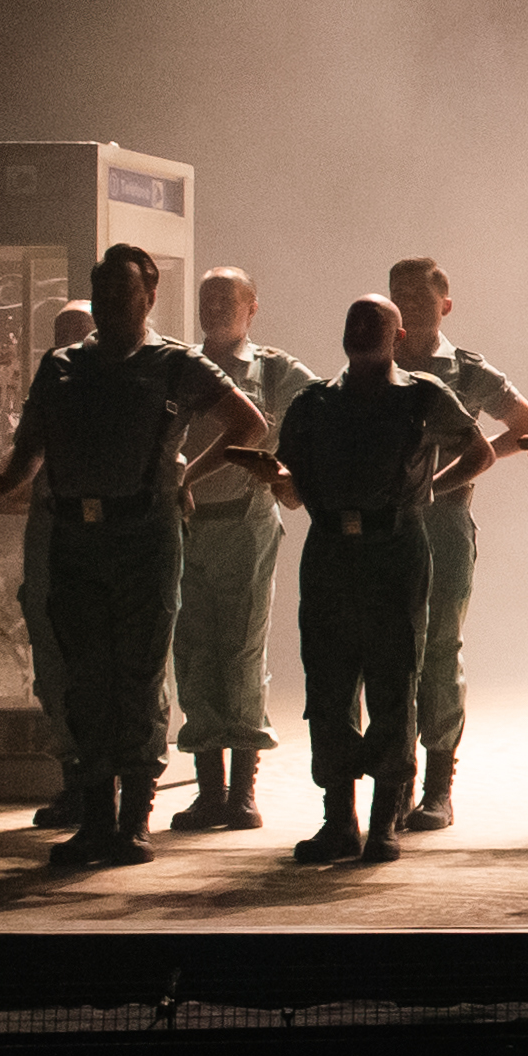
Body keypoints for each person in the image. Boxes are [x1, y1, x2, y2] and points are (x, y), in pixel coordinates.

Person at [0, 246, 270, 869]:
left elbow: (247, 422)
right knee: (84, 679)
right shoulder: (62, 365)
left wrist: (186, 478)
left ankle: (132, 821)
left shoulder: (175, 363)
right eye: (105, 290)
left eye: (128, 291)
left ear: (150, 296)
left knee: (140, 677)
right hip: (75, 537)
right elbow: (24, 462)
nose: (116, 302)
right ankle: (95, 817)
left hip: (143, 538)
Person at [270, 290, 493, 864]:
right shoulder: (315, 402)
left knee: (395, 677)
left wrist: (426, 492)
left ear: (397, 339)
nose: (362, 327)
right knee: (328, 681)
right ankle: (338, 820)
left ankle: (384, 819)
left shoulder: (421, 395)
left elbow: (479, 451)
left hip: (395, 546)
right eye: (354, 319)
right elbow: (289, 469)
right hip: (331, 549)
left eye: (375, 322)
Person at [387, 256, 528, 832]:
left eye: (422, 298)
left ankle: (436, 785)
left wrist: (465, 466)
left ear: (445, 305)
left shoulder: (464, 369)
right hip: (385, 526)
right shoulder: (379, 358)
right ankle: (394, 780)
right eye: (400, 295)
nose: (409, 305)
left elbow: (526, 425)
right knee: (390, 651)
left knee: (438, 651)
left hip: (444, 521)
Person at [172, 267, 315, 834]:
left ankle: (243, 792)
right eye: (207, 297)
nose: (215, 308)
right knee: (193, 653)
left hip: (245, 521)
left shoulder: (274, 370)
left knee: (242, 654)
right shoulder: (183, 368)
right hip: (188, 523)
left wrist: (293, 473)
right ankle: (209, 791)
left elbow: (324, 414)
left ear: (252, 307)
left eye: (227, 299)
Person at [20, 297, 97, 830]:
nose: (70, 345)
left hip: (100, 540)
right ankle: (75, 781)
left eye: (82, 333)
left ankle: (114, 786)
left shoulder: (121, 394)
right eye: (62, 334)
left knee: (108, 666)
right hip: (51, 530)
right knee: (53, 664)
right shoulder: (48, 391)